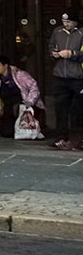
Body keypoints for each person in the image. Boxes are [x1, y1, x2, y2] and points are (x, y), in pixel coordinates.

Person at [51, 12, 83, 151]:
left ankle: (80, 139)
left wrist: (72, 54)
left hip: (78, 76)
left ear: (75, 22)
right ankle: (61, 138)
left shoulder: (81, 33)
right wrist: (54, 53)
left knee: (79, 109)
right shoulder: (57, 32)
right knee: (60, 108)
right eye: (64, 21)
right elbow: (51, 46)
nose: (66, 24)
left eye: (69, 22)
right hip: (60, 75)